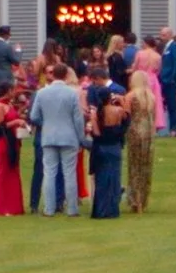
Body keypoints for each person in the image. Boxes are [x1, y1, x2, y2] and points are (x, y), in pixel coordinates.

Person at [29, 63, 86, 215]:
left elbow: (34, 116)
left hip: (48, 136)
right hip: (68, 136)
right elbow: (78, 119)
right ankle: (72, 209)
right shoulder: (72, 93)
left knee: (49, 173)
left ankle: (49, 209)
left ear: (53, 75)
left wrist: (46, 123)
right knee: (69, 173)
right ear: (66, 75)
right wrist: (81, 137)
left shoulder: (42, 93)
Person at [85, 59, 130, 218]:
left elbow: (96, 133)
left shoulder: (96, 113)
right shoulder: (117, 111)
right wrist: (122, 103)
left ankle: (101, 210)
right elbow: (126, 120)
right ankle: (113, 208)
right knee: (114, 177)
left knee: (101, 180)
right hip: (114, 146)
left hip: (101, 147)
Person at [0, 76, 28, 214]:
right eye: (13, 90)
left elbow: (13, 116)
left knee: (14, 171)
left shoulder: (10, 104)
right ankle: (4, 206)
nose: (15, 92)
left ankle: (15, 206)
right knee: (4, 172)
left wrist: (21, 113)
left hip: (13, 140)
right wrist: (16, 122)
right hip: (4, 142)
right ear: (8, 91)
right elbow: (0, 125)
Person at [123, 67, 158, 212]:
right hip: (148, 132)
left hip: (135, 131)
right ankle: (143, 198)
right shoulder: (151, 97)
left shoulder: (130, 96)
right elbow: (154, 117)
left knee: (134, 166)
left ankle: (134, 199)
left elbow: (126, 116)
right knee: (145, 165)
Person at [133, 35, 166, 132]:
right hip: (153, 79)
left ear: (146, 43)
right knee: (154, 103)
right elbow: (158, 71)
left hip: (141, 78)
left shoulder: (140, 53)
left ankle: (140, 123)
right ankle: (154, 124)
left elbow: (135, 67)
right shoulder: (158, 56)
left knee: (140, 102)